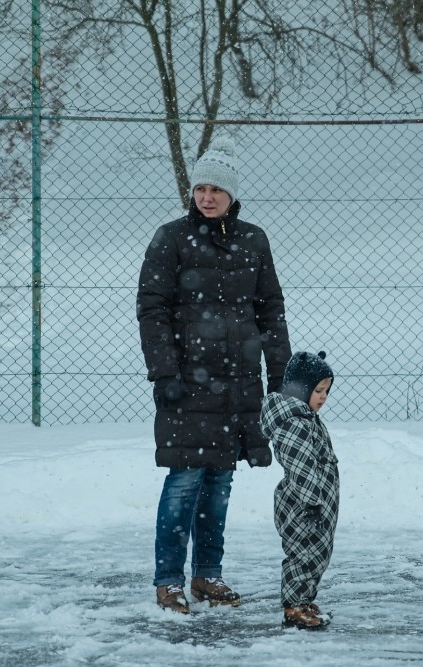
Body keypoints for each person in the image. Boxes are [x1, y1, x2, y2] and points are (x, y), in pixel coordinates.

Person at [136, 135, 291, 613]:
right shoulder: (171, 238)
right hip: (187, 383)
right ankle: (168, 581)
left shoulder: (254, 240)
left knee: (220, 482)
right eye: (201, 188)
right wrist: (164, 372)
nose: (207, 197)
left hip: (238, 385)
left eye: (216, 190)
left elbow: (271, 311)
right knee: (184, 481)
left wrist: (281, 380)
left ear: (231, 195)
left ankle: (207, 575)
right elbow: (152, 309)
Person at [260, 351, 339, 630]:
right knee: (305, 555)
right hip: (303, 504)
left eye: (326, 391)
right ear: (302, 389)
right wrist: (311, 503)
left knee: (317, 553)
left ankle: (303, 600)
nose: (323, 397)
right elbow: (301, 467)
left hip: (314, 501)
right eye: (318, 391)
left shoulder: (305, 418)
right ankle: (294, 607)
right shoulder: (295, 423)